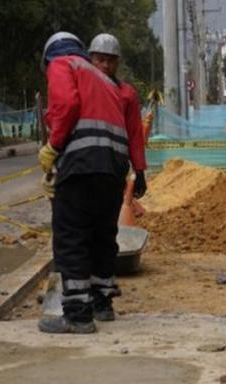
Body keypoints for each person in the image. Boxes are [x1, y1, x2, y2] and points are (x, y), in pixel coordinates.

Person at [37, 31, 130, 334]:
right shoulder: (107, 81)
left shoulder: (63, 64)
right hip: (114, 169)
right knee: (102, 235)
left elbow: (66, 105)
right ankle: (102, 303)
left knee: (72, 236)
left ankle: (77, 314)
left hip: (82, 164)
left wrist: (53, 147)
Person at [88, 33, 148, 202]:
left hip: (115, 169)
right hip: (85, 167)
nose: (106, 65)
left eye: (111, 60)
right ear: (90, 59)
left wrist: (140, 171)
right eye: (100, 60)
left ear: (118, 62)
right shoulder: (81, 90)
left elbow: (135, 134)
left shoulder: (127, 95)